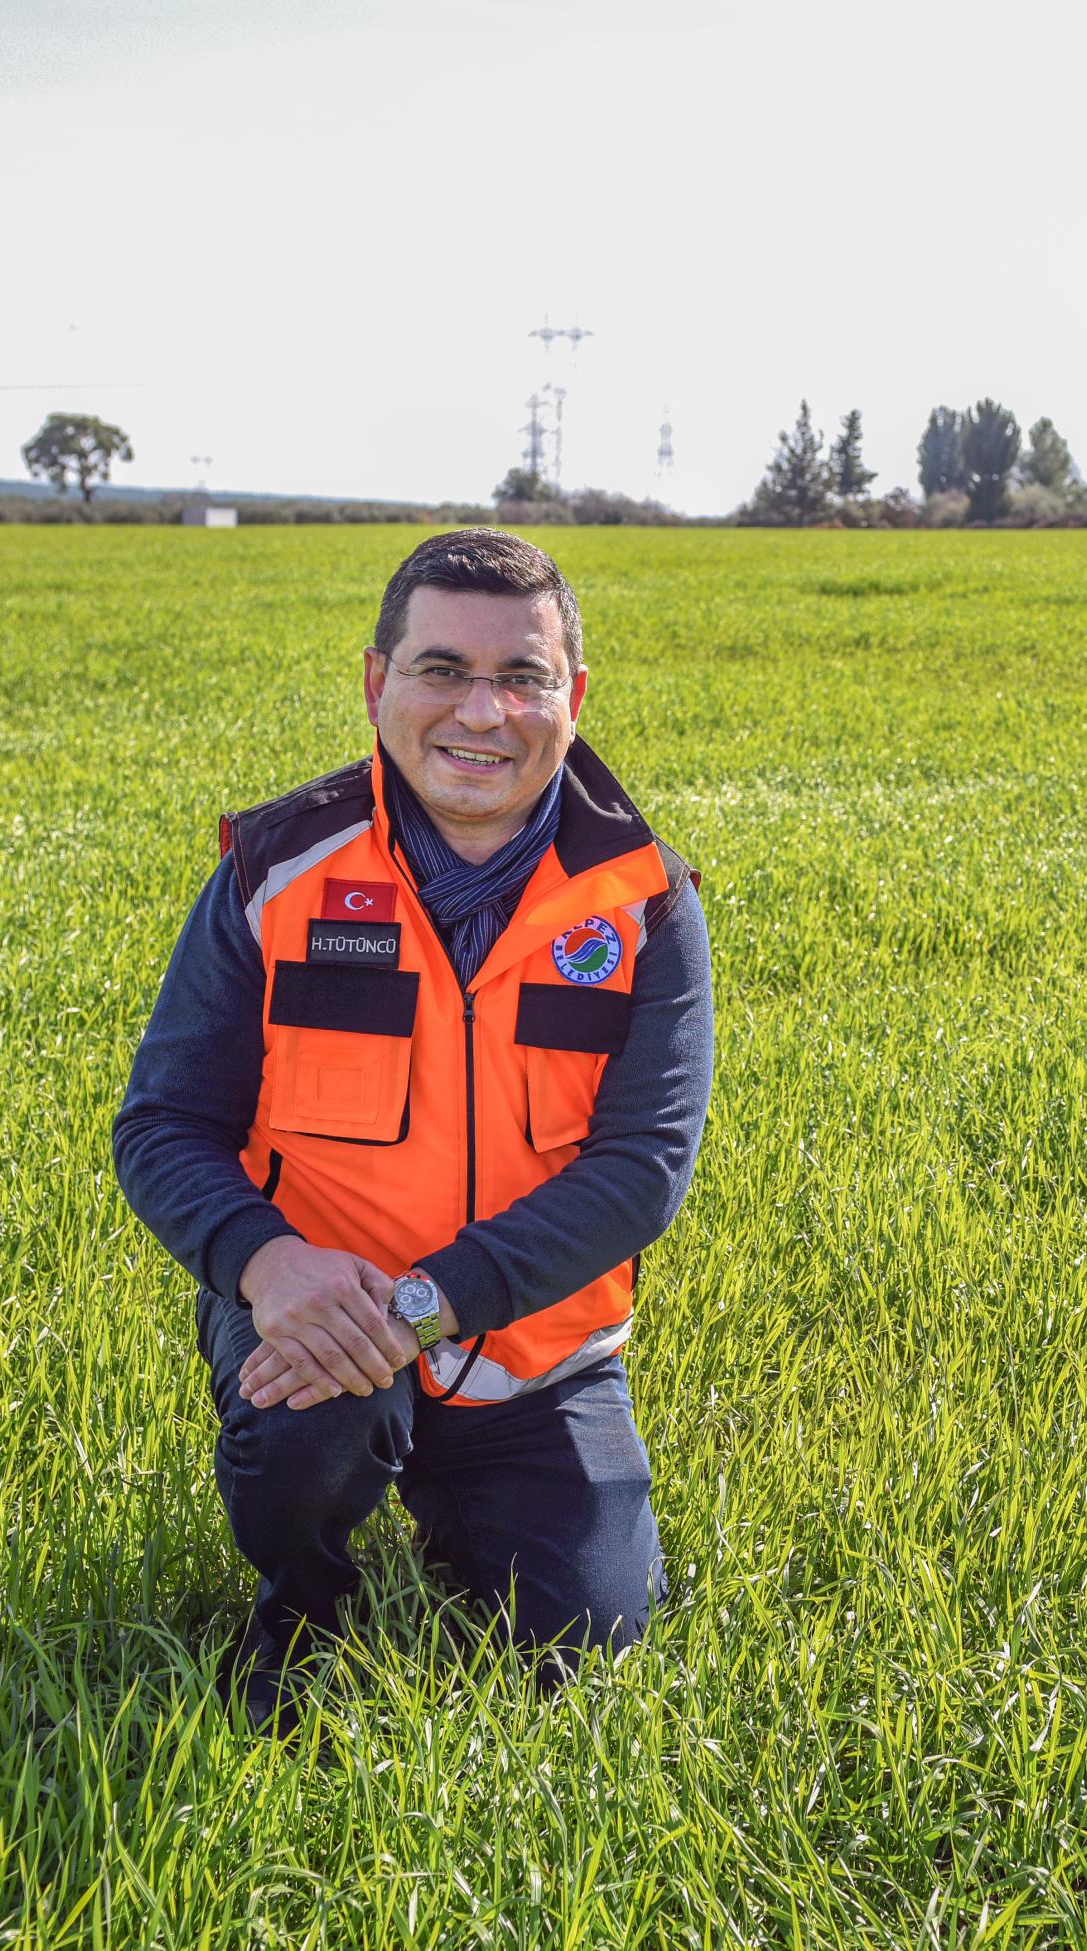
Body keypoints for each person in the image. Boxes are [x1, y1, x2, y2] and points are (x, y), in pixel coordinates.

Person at [113, 528, 712, 1727]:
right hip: (313, 1317)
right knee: (315, 1424)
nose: (482, 712)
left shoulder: (643, 900)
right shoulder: (277, 869)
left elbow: (639, 1175)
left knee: (583, 1655)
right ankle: (306, 1601)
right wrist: (266, 1265)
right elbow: (165, 1122)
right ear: (377, 680)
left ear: (572, 695)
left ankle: (468, 1509)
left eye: (523, 677)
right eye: (442, 669)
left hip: (536, 1362)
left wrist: (417, 1309)